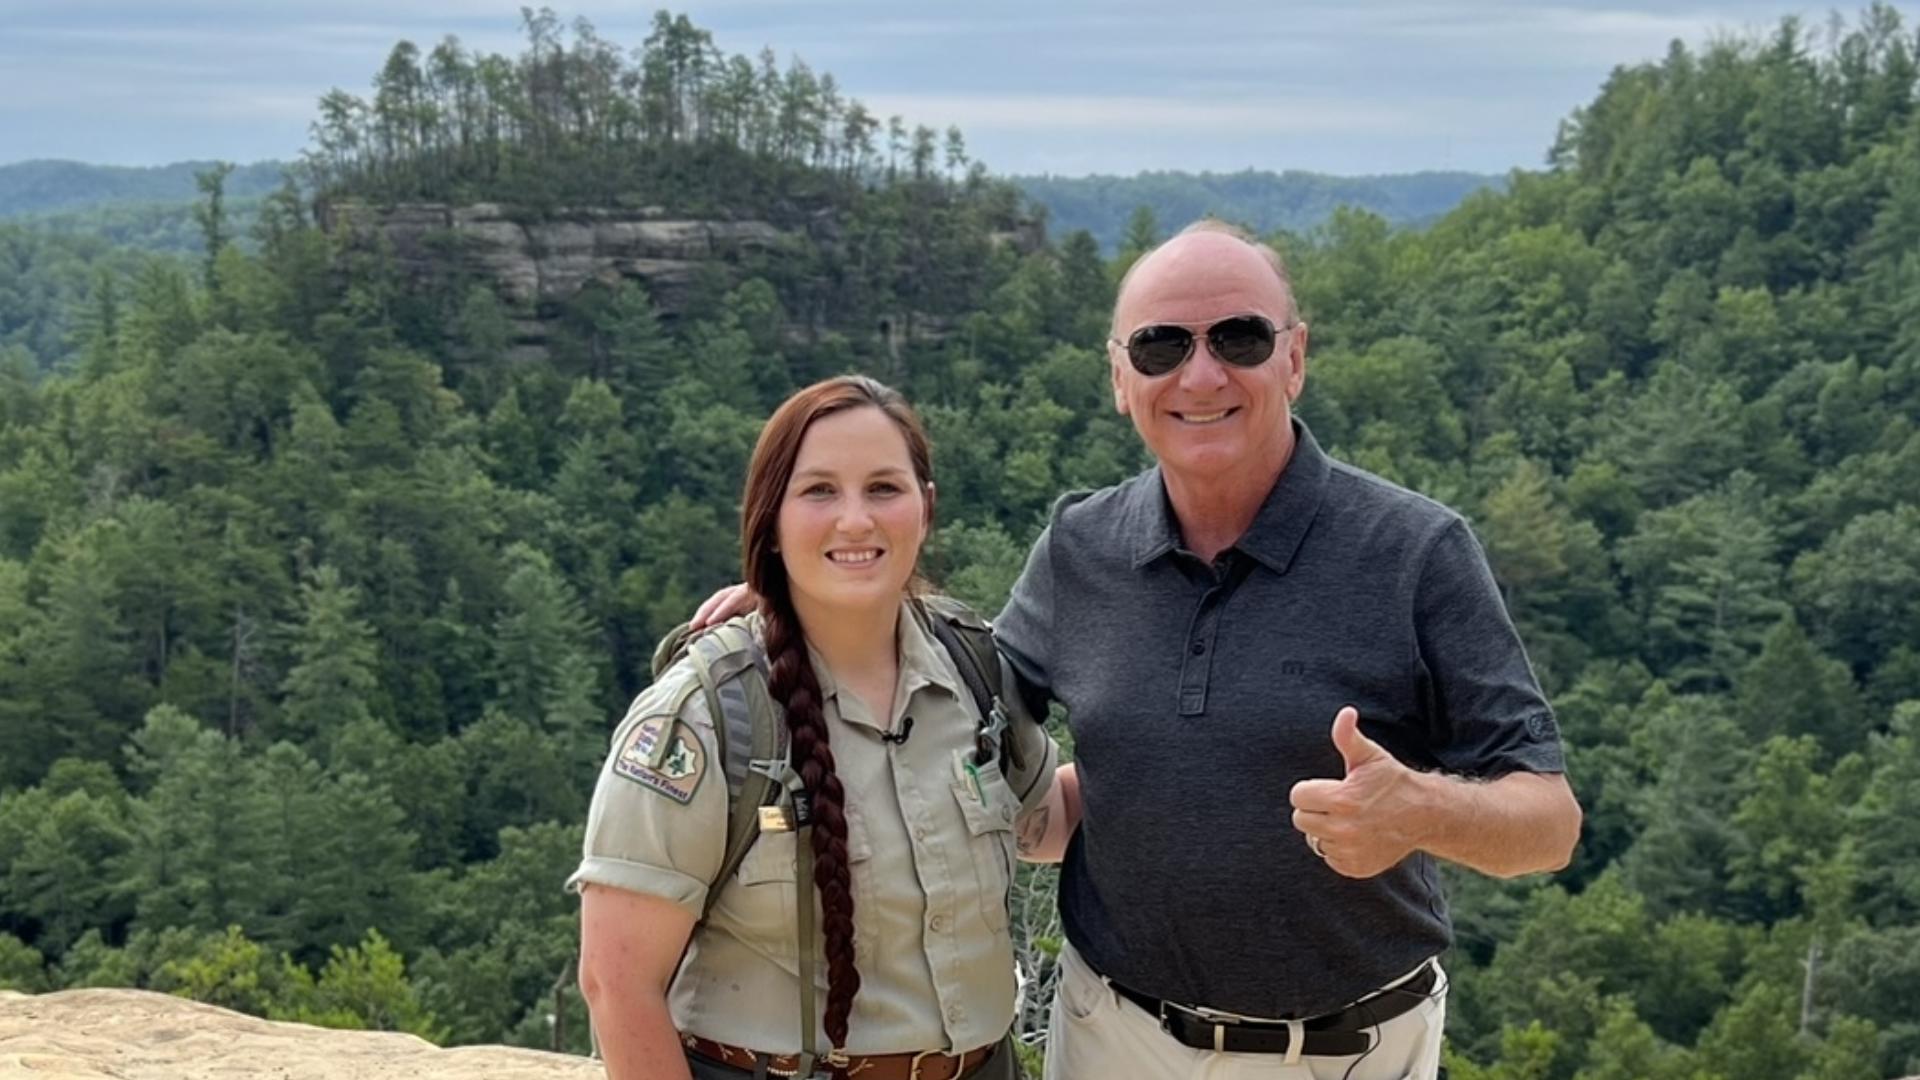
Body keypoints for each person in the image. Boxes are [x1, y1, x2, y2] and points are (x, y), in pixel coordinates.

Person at [692, 221, 1582, 1080]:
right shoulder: (1082, 545)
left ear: (1295, 358)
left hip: (1349, 1051)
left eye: (1238, 337)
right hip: (1115, 1036)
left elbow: (1549, 823)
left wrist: (1420, 811)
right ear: (1121, 379)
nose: (1201, 374)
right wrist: (811, 608)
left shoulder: (1416, 554)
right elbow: (954, 704)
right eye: (1160, 347)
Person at [572, 375, 1057, 1080]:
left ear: (926, 508)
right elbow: (616, 984)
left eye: (884, 488)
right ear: (770, 518)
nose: (855, 520)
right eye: (820, 490)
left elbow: (1047, 820)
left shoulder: (973, 668)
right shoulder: (711, 716)